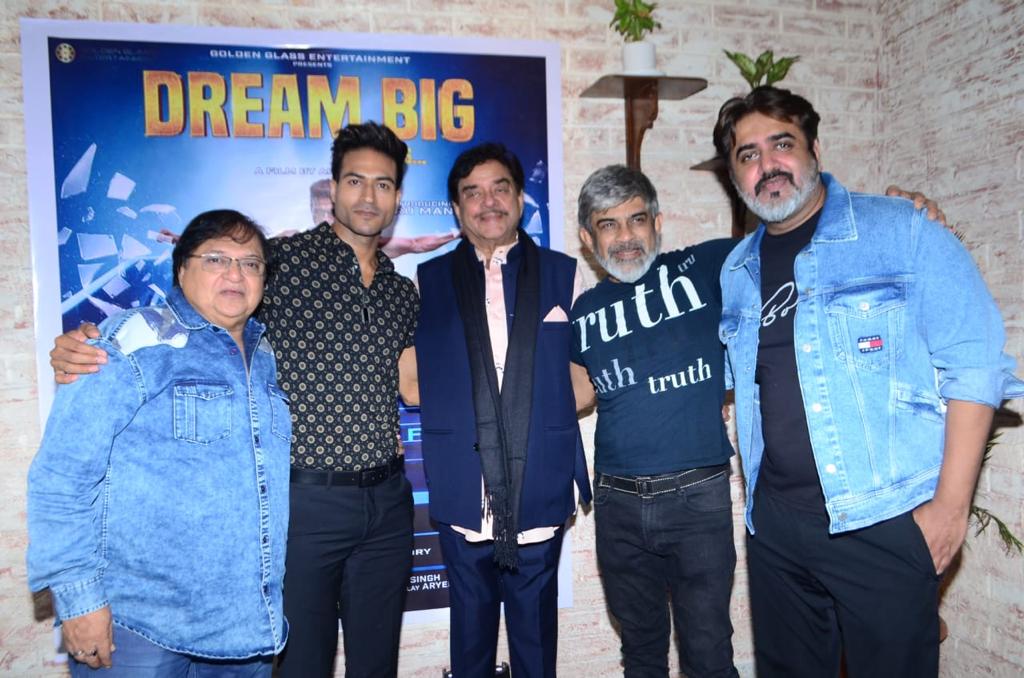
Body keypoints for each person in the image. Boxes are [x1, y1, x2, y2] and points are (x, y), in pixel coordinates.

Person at [48, 122, 420, 678]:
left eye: (383, 184)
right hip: (304, 503)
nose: (368, 196)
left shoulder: (400, 290)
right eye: (355, 180)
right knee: (301, 664)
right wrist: (87, 344)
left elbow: (409, 383)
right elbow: (187, 315)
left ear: (397, 197)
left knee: (377, 665)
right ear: (334, 187)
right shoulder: (281, 261)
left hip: (387, 503)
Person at [713, 86, 1024, 678]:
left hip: (883, 520)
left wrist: (951, 508)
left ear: (815, 150)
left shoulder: (900, 230)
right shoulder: (737, 269)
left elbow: (977, 365)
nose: (767, 164)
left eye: (782, 144)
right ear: (735, 176)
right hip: (776, 528)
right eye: (748, 155)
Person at [28, 209, 288, 677]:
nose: (235, 274)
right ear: (181, 269)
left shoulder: (265, 356)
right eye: (216, 259)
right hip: (141, 630)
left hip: (244, 630)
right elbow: (63, 475)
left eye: (251, 263)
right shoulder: (132, 340)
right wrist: (78, 599)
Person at [409, 142, 591, 678]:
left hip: (539, 485)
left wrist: (533, 420)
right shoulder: (426, 282)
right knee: (469, 650)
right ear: (456, 207)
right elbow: (412, 386)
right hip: (463, 489)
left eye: (499, 188)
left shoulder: (563, 274)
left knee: (536, 650)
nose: (488, 202)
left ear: (519, 197)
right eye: (473, 193)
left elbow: (585, 382)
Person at [570, 165, 739, 678]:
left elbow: (793, 237)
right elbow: (576, 396)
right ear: (588, 238)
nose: (625, 237)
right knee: (641, 653)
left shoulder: (706, 265)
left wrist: (904, 205)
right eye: (608, 224)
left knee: (708, 654)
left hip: (697, 497)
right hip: (617, 505)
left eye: (636, 219)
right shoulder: (583, 311)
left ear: (657, 223)